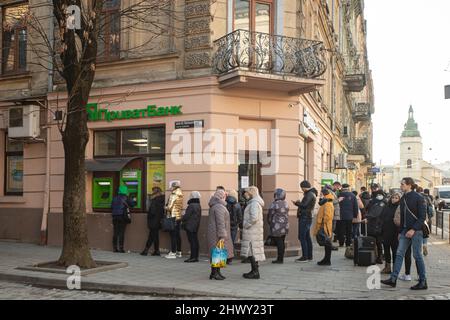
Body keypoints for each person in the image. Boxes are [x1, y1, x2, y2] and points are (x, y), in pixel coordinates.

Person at [381, 177, 428, 290]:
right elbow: (402, 217)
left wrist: (413, 229)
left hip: (416, 231)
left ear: (409, 185)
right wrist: (401, 231)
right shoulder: (403, 198)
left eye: (402, 184)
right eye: (401, 184)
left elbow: (422, 217)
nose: (401, 186)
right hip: (404, 231)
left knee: (417, 255)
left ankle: (423, 281)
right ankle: (393, 279)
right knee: (399, 253)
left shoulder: (419, 198)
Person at [207, 189, 234, 280]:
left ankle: (215, 272)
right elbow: (220, 223)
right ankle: (215, 273)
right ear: (221, 196)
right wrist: (222, 235)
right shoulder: (219, 207)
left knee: (216, 253)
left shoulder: (215, 205)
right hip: (217, 234)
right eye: (224, 195)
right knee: (218, 253)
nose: (226, 197)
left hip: (214, 233)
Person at [241, 186, 266, 279]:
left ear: (251, 193)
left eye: (246, 193)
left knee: (252, 251)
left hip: (252, 231)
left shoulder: (254, 203)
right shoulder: (254, 202)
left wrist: (246, 224)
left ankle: (255, 272)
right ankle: (254, 270)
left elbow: (254, 218)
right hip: (255, 232)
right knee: (252, 252)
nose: (245, 195)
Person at [294, 181, 318, 262]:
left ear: (304, 187)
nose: (301, 189)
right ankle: (309, 256)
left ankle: (305, 257)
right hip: (307, 217)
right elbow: (306, 205)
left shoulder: (309, 194)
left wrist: (297, 203)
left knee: (302, 237)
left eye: (302, 188)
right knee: (307, 237)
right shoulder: (312, 193)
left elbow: (304, 205)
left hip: (305, 218)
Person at [380, 191, 401, 274]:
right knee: (386, 249)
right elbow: (382, 217)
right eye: (393, 197)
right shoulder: (387, 206)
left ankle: (395, 269)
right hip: (386, 231)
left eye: (396, 198)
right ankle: (387, 267)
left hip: (395, 232)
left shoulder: (400, 207)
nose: (394, 199)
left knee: (395, 250)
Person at [313, 188, 335, 266]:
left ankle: (327, 260)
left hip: (325, 226)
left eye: (321, 194)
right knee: (327, 243)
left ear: (324, 194)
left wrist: (322, 223)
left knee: (327, 243)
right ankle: (326, 259)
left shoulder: (328, 203)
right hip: (325, 225)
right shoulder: (326, 201)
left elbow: (328, 216)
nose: (320, 196)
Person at [111, 185, 136, 253]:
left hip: (115, 216)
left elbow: (111, 206)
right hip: (122, 216)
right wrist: (134, 199)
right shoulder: (126, 198)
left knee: (115, 232)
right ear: (125, 191)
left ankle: (115, 248)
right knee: (121, 232)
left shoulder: (114, 198)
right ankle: (121, 248)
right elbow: (133, 205)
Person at [267, 188, 290, 264]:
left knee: (279, 242)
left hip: (277, 226)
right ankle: (281, 258)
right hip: (285, 225)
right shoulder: (285, 203)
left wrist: (269, 222)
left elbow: (270, 214)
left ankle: (279, 259)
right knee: (282, 241)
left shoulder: (275, 204)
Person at [141, 187, 165, 256]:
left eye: (153, 192)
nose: (152, 194)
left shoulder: (154, 201)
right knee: (155, 236)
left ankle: (146, 250)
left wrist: (149, 216)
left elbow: (152, 212)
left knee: (151, 236)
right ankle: (156, 251)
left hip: (153, 221)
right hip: (159, 220)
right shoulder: (163, 200)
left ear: (156, 193)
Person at [365, 189, 386, 264]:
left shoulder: (377, 202)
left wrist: (367, 216)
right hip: (377, 225)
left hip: (375, 225)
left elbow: (374, 213)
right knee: (377, 242)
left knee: (375, 241)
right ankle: (377, 257)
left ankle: (376, 257)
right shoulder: (383, 202)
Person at [165, 181, 184, 259]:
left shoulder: (173, 194)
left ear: (173, 187)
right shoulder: (181, 194)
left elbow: (169, 207)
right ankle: (179, 252)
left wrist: (165, 207)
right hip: (178, 216)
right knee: (177, 235)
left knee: (173, 235)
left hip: (172, 216)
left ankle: (173, 252)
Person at [181, 191, 202, 263]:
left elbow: (186, 216)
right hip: (195, 225)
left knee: (192, 241)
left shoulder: (191, 205)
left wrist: (182, 218)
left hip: (190, 226)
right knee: (195, 241)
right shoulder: (198, 205)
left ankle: (193, 257)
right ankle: (195, 257)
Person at [226, 189, 243, 264]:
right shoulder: (238, 204)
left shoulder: (225, 203)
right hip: (234, 226)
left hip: (226, 225)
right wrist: (237, 224)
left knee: (225, 241)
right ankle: (230, 258)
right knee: (231, 241)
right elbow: (240, 218)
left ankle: (223, 258)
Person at [422, 188, 434, 256]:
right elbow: (431, 208)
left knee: (420, 233)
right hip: (427, 218)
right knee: (426, 233)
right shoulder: (429, 198)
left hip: (420, 218)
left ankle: (421, 246)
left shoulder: (420, 197)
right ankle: (425, 245)